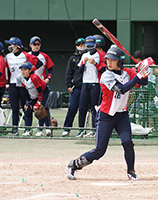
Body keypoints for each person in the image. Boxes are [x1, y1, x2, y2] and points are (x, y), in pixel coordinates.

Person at [65, 46, 150, 181]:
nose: (109, 63)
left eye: (113, 60)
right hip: (106, 116)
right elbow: (121, 89)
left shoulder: (128, 72)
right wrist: (138, 74)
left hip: (122, 114)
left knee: (128, 142)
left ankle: (131, 171)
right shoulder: (106, 75)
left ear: (120, 62)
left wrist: (143, 71)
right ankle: (73, 165)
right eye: (108, 60)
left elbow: (143, 82)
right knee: (99, 151)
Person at [5, 37, 43, 136]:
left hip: (23, 85)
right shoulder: (8, 56)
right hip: (13, 84)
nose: (9, 47)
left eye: (11, 45)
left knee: (26, 107)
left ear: (16, 46)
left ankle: (28, 129)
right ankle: (15, 129)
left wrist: (31, 71)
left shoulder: (25, 55)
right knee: (14, 108)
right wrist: (7, 82)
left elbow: (39, 63)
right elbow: (6, 69)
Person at [28, 36, 54, 136]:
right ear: (30, 45)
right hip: (30, 84)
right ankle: (30, 129)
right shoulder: (27, 56)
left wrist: (49, 78)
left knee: (43, 107)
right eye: (34, 44)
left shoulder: (44, 56)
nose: (36, 46)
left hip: (41, 83)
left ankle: (45, 128)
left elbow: (50, 69)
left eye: (38, 44)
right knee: (32, 107)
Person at [16, 61, 50, 136]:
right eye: (21, 70)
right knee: (27, 109)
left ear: (30, 70)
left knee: (40, 109)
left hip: (43, 93)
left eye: (25, 70)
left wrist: (38, 103)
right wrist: (28, 103)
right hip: (33, 95)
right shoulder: (20, 77)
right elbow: (24, 91)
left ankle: (41, 130)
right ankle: (28, 130)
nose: (23, 72)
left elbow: (40, 91)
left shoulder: (34, 77)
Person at [76, 36, 100, 138]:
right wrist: (84, 63)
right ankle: (81, 130)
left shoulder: (99, 55)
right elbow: (79, 71)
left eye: (91, 45)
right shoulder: (84, 55)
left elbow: (102, 70)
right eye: (88, 45)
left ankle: (95, 130)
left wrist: (95, 63)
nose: (89, 47)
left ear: (95, 45)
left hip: (95, 83)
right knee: (82, 108)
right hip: (85, 83)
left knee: (94, 108)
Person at [62, 38, 86, 137]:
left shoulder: (89, 56)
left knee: (83, 109)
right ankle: (66, 129)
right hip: (76, 87)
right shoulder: (73, 59)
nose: (82, 47)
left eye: (84, 45)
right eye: (80, 45)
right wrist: (69, 85)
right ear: (76, 47)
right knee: (72, 108)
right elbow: (69, 73)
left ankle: (81, 130)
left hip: (86, 86)